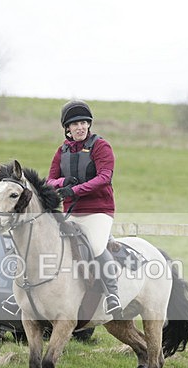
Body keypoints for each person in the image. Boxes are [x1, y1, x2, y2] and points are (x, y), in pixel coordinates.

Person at [46, 99, 122, 314]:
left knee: (96, 246)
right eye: (75, 124)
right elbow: (49, 181)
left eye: (83, 123)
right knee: (52, 246)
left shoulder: (101, 146)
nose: (80, 127)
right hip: (72, 212)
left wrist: (75, 190)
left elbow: (105, 177)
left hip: (99, 210)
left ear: (89, 125)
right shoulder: (62, 151)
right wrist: (63, 183)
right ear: (67, 129)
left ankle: (113, 294)